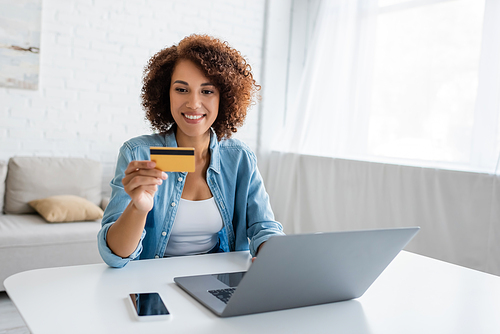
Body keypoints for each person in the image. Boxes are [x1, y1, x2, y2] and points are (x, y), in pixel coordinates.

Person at [97, 34, 284, 268]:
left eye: (207, 91)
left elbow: (264, 227)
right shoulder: (138, 153)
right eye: (181, 89)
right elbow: (114, 256)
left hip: (217, 279)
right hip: (152, 284)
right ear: (166, 93)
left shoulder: (239, 158)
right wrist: (138, 207)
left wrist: (273, 256)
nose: (194, 103)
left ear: (223, 98)